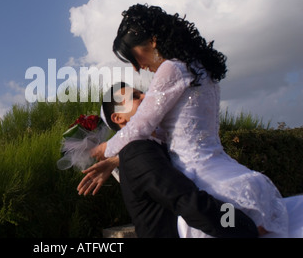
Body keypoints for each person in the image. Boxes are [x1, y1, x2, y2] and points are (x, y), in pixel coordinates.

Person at [90, 4, 289, 237]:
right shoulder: (199, 68)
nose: (137, 67)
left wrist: (106, 147)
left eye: (134, 57)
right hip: (233, 176)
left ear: (153, 41)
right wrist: (117, 159)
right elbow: (168, 133)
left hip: (206, 184)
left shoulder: (171, 69)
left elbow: (141, 126)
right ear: (116, 117)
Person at [78, 82, 260, 238]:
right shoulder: (137, 151)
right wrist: (245, 226)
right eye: (135, 97)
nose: (145, 96)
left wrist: (114, 160)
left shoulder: (154, 145)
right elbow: (189, 201)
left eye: (142, 91)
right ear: (118, 117)